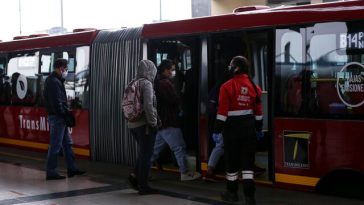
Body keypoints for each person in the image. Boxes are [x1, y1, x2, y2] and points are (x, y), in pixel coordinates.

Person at [213, 56, 263, 205]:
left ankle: (232, 193)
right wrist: (259, 129)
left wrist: (216, 130)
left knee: (232, 164)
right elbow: (259, 112)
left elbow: (222, 112)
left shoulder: (226, 86)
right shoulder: (255, 87)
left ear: (235, 68)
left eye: (230, 65)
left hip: (232, 131)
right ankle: (250, 197)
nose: (229, 67)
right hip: (249, 130)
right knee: (248, 165)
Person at [151, 59, 201, 181]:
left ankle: (140, 171)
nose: (173, 72)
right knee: (179, 147)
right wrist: (180, 107)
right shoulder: (165, 84)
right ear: (166, 70)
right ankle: (185, 173)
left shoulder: (155, 81)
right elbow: (174, 100)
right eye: (172, 70)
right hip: (169, 121)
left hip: (161, 121)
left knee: (154, 151)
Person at [43, 58, 85, 180]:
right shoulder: (54, 82)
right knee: (55, 146)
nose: (66, 71)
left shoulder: (55, 81)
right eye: (66, 69)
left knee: (67, 144)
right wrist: (65, 114)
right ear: (60, 68)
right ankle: (51, 172)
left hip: (59, 117)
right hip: (58, 118)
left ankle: (72, 168)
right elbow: (57, 103)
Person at [126, 59, 159, 195]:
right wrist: (153, 123)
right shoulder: (147, 84)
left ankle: (134, 177)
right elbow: (148, 106)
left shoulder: (132, 82)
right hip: (144, 124)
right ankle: (143, 186)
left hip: (132, 124)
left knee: (143, 152)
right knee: (147, 155)